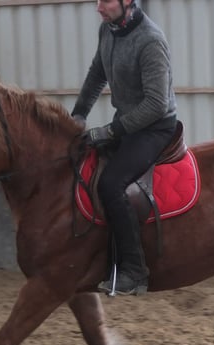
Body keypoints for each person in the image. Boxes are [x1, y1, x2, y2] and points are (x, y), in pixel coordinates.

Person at [72, 0, 178, 296]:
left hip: (155, 128)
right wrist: (78, 115)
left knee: (110, 183)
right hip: (128, 123)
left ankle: (134, 271)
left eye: (105, 1)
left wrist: (110, 130)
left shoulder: (150, 40)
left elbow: (156, 105)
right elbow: (97, 73)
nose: (98, 8)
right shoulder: (108, 30)